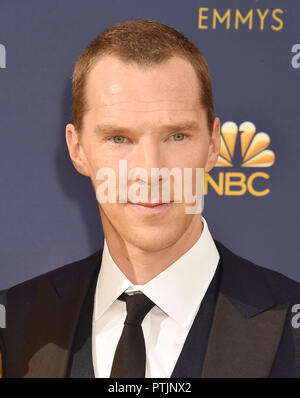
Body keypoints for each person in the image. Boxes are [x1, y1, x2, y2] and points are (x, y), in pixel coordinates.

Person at [1, 19, 300, 378]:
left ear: (213, 144)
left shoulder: (290, 321)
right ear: (77, 148)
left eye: (176, 136)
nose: (150, 170)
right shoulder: (16, 323)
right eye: (118, 139)